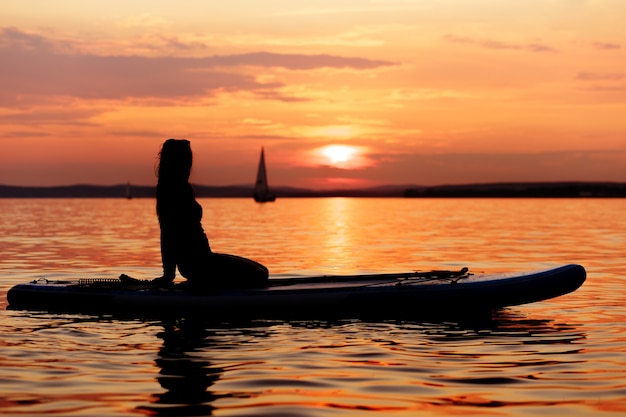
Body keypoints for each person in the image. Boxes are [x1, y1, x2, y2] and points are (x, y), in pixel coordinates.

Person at [149, 138, 268, 290]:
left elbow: (168, 233)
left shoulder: (179, 188)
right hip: (197, 264)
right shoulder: (176, 191)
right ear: (177, 162)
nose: (189, 165)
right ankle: (204, 283)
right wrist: (168, 275)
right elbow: (168, 233)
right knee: (259, 275)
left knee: (263, 271)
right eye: (186, 159)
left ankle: (205, 281)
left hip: (204, 260)